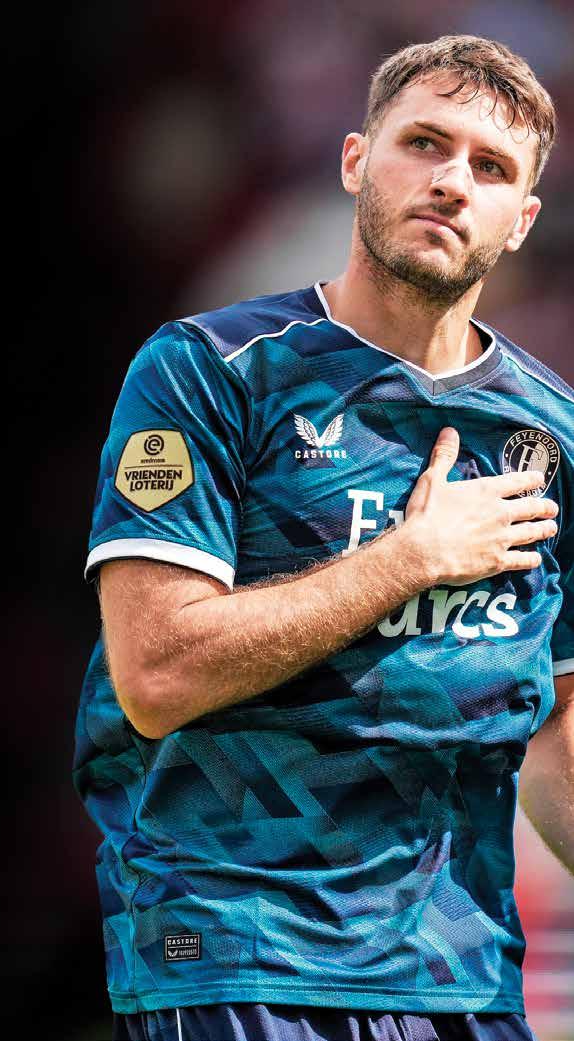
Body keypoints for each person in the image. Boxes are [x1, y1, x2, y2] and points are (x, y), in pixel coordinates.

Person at [73, 35, 573, 1041]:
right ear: (354, 161)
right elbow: (156, 671)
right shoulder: (210, 371)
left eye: (489, 167)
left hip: (460, 973)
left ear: (521, 219)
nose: (450, 181)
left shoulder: (551, 433)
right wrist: (410, 560)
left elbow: (558, 726)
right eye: (423, 143)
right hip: (236, 952)